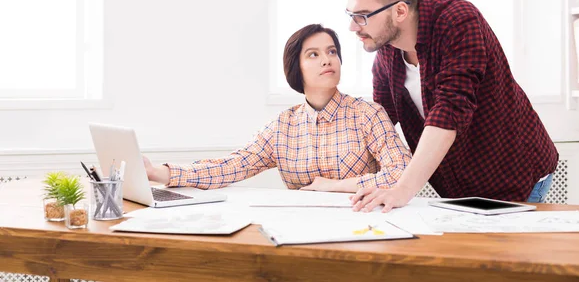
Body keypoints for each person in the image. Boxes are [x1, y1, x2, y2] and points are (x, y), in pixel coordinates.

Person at [343, 0, 558, 212]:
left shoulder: (459, 22)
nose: (352, 27)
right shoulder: (387, 54)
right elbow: (381, 126)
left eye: (362, 17)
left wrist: (401, 190)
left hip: (514, 178)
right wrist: (337, 182)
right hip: (458, 190)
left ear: (400, 11)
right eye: (351, 15)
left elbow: (450, 111)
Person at [143, 24, 412, 192]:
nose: (327, 60)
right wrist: (158, 172)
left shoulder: (368, 114)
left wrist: (333, 187)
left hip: (363, 227)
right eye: (313, 54)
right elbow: (232, 166)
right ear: (296, 68)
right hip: (298, 230)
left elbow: (401, 172)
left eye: (332, 52)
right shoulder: (283, 127)